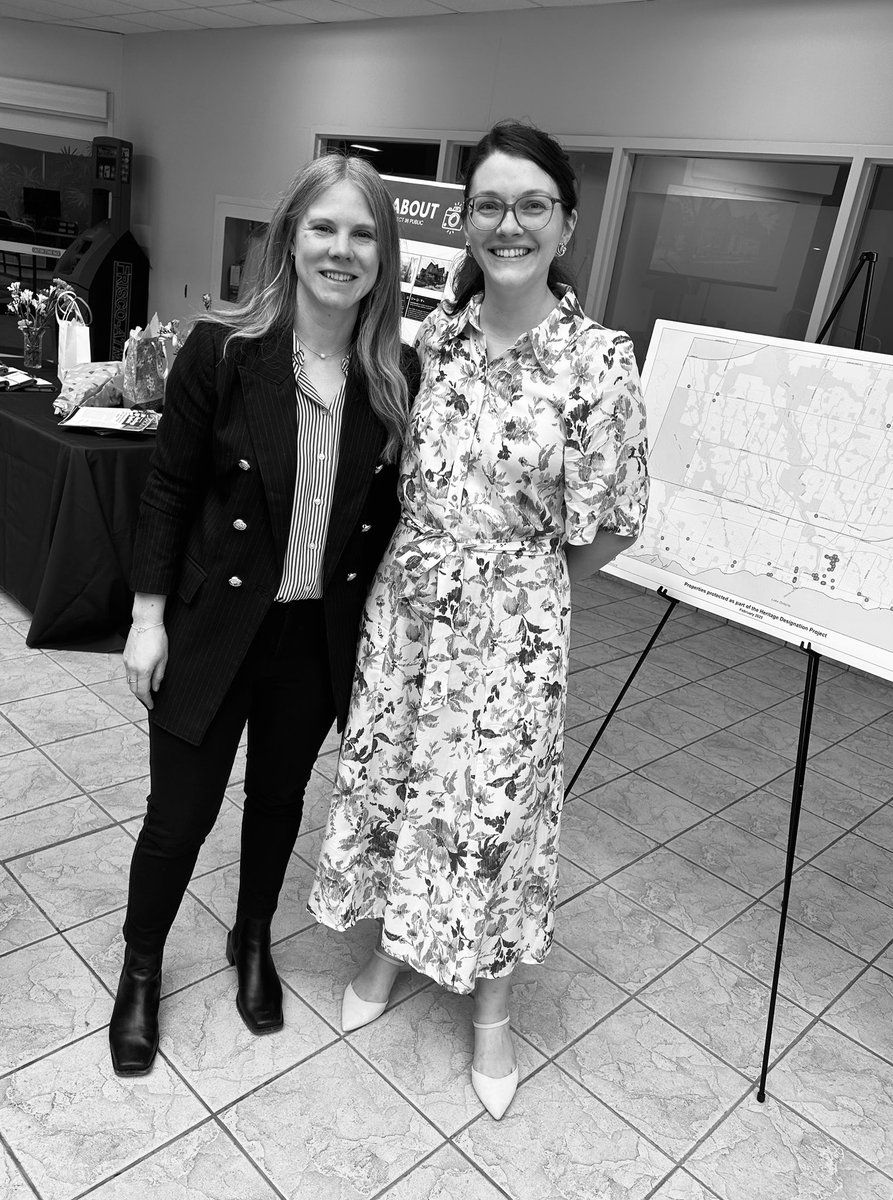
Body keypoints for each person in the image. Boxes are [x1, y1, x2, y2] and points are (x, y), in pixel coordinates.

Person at [308, 121, 649, 1120]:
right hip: (406, 611)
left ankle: (491, 1010)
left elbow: (612, 523)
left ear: (565, 221)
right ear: (464, 222)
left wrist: (517, 580)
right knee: (398, 780)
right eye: (489, 206)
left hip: (512, 629)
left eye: (530, 204)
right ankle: (387, 951)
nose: (508, 224)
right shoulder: (434, 341)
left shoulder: (596, 361)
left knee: (495, 819)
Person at [109, 153, 420, 1077]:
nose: (342, 248)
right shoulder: (227, 349)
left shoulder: (395, 371)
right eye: (324, 227)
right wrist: (147, 616)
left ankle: (253, 942)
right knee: (179, 815)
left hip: (313, 638)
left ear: (384, 255)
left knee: (278, 804)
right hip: (214, 626)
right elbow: (168, 490)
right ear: (289, 235)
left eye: (363, 233)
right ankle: (140, 967)